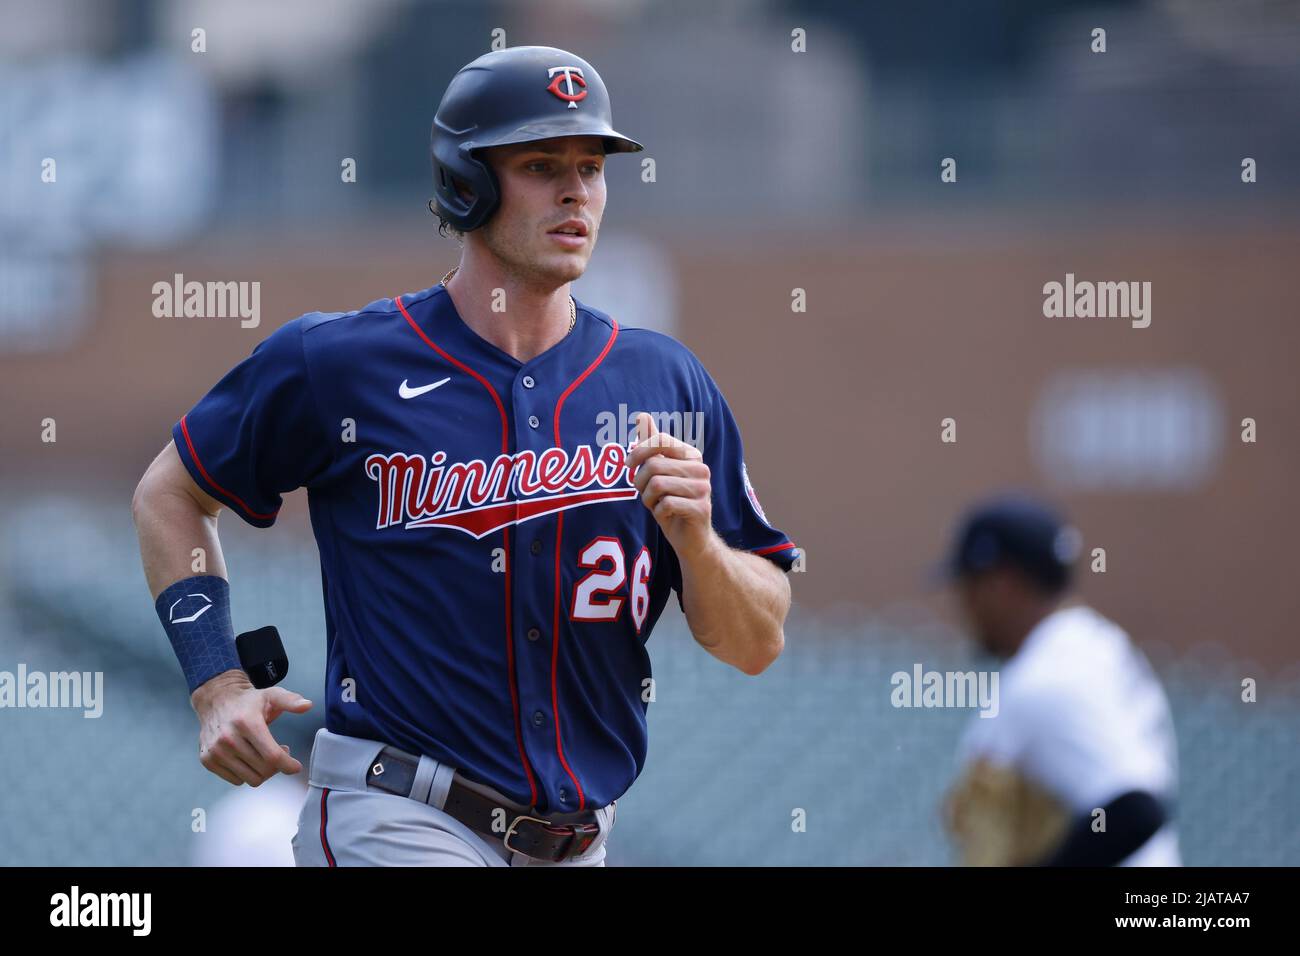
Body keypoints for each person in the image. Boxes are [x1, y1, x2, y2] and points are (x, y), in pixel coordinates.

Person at [132, 45, 798, 867]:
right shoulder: (342, 362)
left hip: (579, 844)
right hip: (399, 813)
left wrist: (700, 546)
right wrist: (216, 682)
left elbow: (756, 641)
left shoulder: (665, 381)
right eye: (542, 164)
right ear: (466, 182)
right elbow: (171, 491)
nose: (575, 192)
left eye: (591, 167)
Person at [936, 494, 1180, 866]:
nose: (963, 605)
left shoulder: (1046, 677)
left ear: (1003, 585)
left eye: (969, 586)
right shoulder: (1096, 643)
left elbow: (1136, 811)